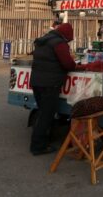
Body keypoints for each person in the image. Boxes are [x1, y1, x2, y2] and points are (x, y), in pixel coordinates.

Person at [29, 22, 84, 155]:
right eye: (69, 39)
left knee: (43, 112)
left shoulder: (43, 40)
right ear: (66, 35)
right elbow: (68, 64)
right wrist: (80, 66)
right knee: (46, 115)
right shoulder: (59, 43)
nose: (68, 42)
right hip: (50, 84)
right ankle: (38, 146)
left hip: (37, 82)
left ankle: (44, 140)